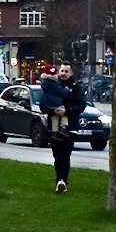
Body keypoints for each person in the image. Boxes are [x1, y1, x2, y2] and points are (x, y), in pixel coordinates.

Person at [38, 64, 86, 193]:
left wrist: (67, 111)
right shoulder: (52, 85)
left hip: (69, 128)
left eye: (66, 71)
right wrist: (52, 110)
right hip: (54, 129)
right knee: (57, 156)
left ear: (71, 73)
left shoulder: (76, 89)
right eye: (62, 71)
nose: (63, 73)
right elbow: (43, 104)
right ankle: (59, 180)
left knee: (65, 155)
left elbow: (81, 105)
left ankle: (63, 181)